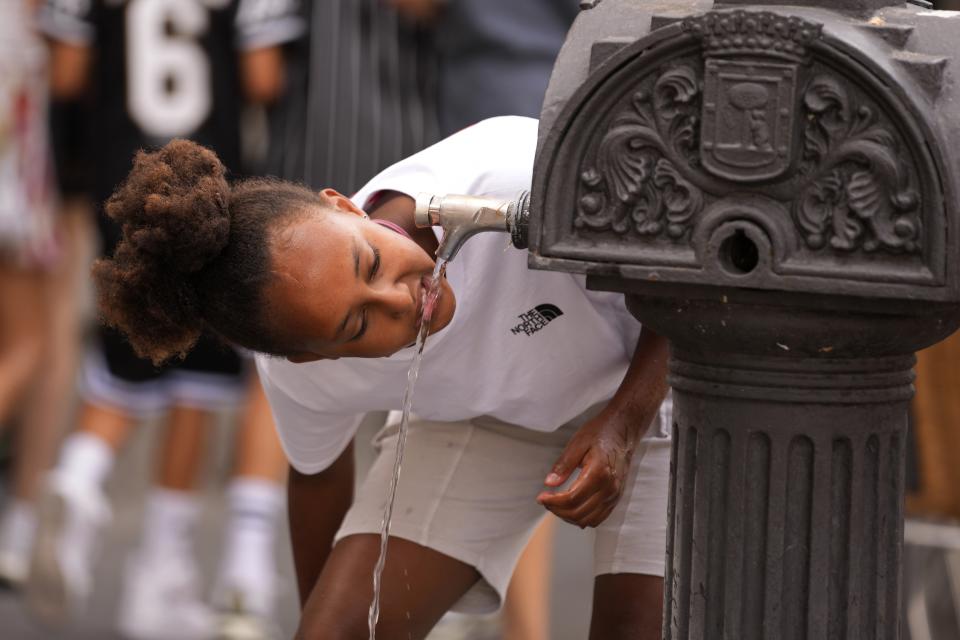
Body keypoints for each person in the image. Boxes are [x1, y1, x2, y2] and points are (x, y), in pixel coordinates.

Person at [94, 116, 672, 640]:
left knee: (634, 626)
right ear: (313, 358)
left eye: (369, 261)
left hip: (663, 374)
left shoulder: (508, 171)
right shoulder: (300, 373)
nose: (401, 298)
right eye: (357, 323)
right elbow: (317, 478)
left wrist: (624, 424)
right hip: (496, 417)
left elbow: (698, 274)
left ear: (344, 206)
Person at [28, 0, 303, 636]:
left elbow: (67, 73)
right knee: (198, 372)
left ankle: (81, 475)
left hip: (118, 177)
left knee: (127, 347)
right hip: (205, 181)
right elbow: (263, 77)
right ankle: (161, 565)